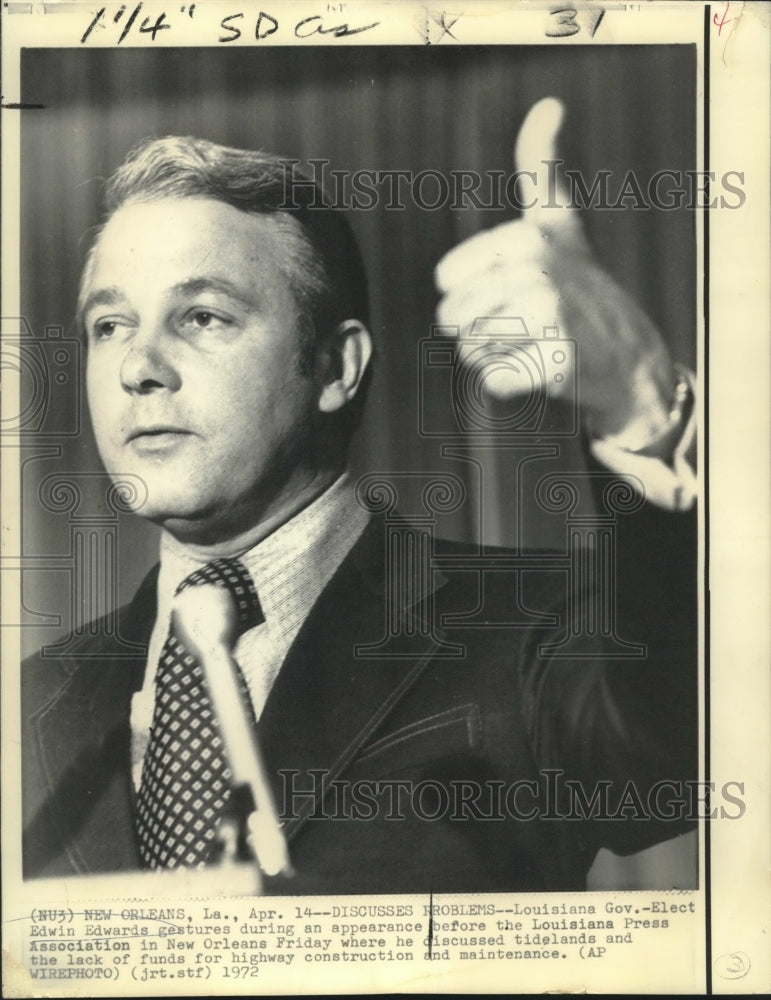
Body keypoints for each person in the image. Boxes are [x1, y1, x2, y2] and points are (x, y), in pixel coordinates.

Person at [21, 99, 697, 894]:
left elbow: (682, 734)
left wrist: (643, 406)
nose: (139, 365)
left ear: (337, 368)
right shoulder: (26, 702)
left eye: (201, 316)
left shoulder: (534, 625)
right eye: (109, 327)